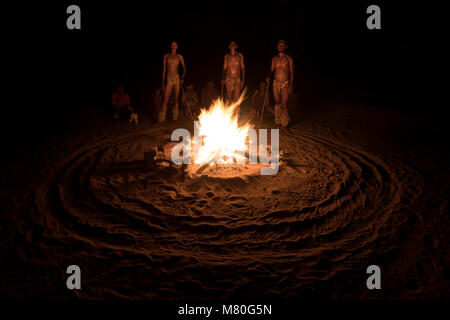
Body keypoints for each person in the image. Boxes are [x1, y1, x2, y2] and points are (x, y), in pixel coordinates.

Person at [266, 40, 294, 127]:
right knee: (277, 102)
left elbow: (292, 72)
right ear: (277, 47)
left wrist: (291, 85)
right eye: (279, 45)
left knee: (284, 103)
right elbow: (271, 70)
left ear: (285, 47)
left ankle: (285, 122)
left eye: (283, 45)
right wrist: (268, 77)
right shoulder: (274, 59)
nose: (281, 47)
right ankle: (278, 120)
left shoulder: (288, 58)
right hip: (275, 83)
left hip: (285, 83)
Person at [159, 41, 186, 122]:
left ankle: (175, 117)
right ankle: (161, 117)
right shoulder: (166, 56)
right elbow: (164, 69)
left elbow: (185, 68)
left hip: (177, 78)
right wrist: (163, 82)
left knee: (176, 98)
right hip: (169, 78)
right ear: (170, 46)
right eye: (172, 45)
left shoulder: (179, 57)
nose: (174, 46)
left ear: (177, 47)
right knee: (165, 99)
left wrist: (182, 78)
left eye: (175, 45)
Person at [222, 41, 245, 108]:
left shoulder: (240, 55)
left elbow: (243, 68)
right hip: (228, 79)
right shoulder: (226, 56)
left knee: (237, 99)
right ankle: (230, 115)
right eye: (231, 45)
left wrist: (243, 80)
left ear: (236, 46)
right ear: (229, 47)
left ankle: (236, 115)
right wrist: (223, 78)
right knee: (229, 99)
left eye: (234, 45)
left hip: (237, 79)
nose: (232, 46)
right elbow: (224, 68)